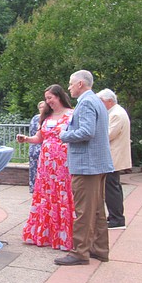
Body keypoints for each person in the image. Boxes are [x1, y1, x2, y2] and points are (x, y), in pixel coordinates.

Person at [56, 70, 114, 266]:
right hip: (97, 164)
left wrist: (64, 134)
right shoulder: (97, 101)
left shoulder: (87, 102)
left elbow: (87, 132)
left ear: (80, 84)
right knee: (97, 209)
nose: (69, 87)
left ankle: (80, 252)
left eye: (71, 84)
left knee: (84, 211)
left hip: (86, 166)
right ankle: (99, 249)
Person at [17, 86, 74, 250]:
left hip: (63, 164)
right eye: (47, 98)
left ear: (59, 96)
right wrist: (26, 139)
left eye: (51, 97)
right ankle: (45, 234)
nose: (49, 101)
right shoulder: (46, 116)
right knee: (46, 196)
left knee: (62, 194)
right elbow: (39, 138)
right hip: (46, 165)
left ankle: (64, 236)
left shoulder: (71, 114)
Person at [97, 89, 132, 230]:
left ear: (109, 101)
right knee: (112, 187)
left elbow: (108, 134)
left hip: (113, 156)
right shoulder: (116, 112)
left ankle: (117, 219)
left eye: (101, 102)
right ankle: (114, 216)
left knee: (111, 188)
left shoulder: (116, 114)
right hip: (113, 156)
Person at [28, 101, 47, 194]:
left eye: (44, 107)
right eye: (40, 107)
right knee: (33, 170)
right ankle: (34, 189)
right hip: (35, 147)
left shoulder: (48, 118)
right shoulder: (35, 118)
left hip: (43, 147)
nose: (42, 109)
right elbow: (32, 133)